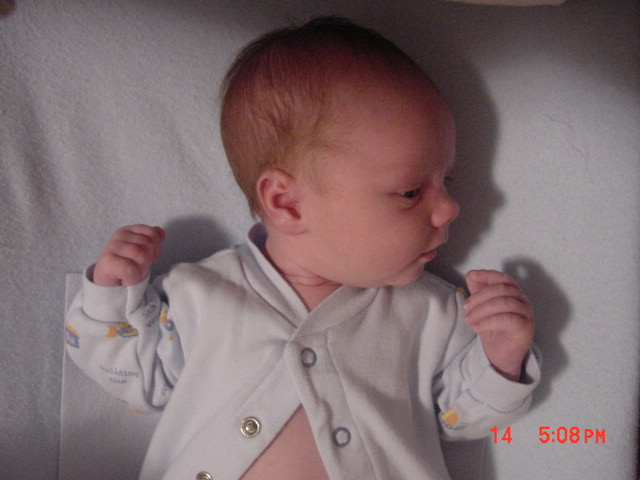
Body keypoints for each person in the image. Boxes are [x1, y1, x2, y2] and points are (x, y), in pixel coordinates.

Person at [66, 16, 540, 480]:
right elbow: (136, 378)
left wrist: (501, 359)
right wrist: (111, 293)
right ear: (286, 203)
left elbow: (460, 418)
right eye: (411, 192)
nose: (451, 208)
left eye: (447, 180)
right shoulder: (202, 295)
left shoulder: (432, 313)